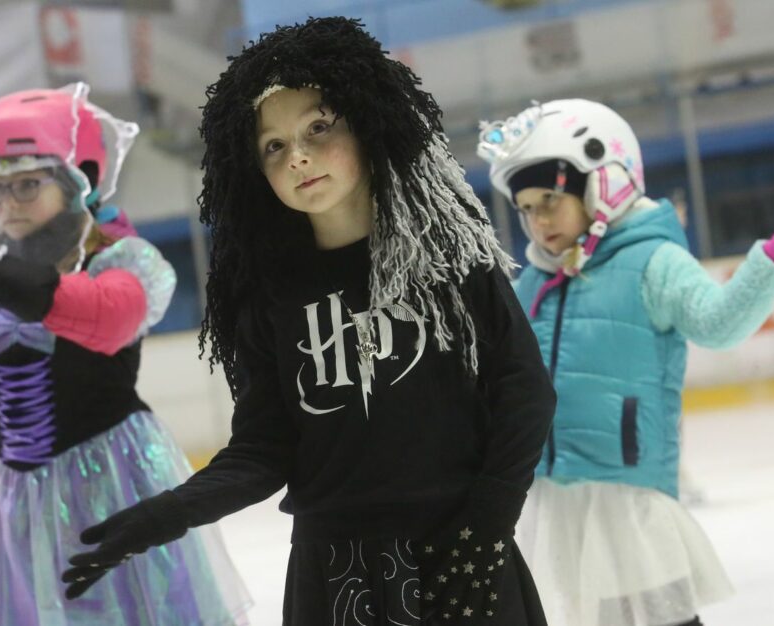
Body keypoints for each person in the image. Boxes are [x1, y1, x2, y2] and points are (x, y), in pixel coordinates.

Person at [62, 17, 557, 625]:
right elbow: (262, 450)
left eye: (319, 127)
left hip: (462, 553)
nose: (297, 156)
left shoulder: (448, 259)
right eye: (274, 146)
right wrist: (165, 513)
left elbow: (524, 394)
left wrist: (487, 525)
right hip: (334, 575)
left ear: (368, 121)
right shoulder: (267, 297)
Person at [0, 83, 251, 626]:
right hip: (20, 497)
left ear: (79, 178)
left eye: (26, 184)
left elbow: (109, 317)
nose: (7, 203)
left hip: (113, 477)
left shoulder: (121, 257)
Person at [477, 98, 774, 626]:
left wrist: (771, 263)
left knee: (667, 615)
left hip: (627, 489)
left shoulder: (653, 262)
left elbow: (717, 323)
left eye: (550, 200)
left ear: (604, 186)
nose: (538, 221)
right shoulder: (534, 282)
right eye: (525, 208)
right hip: (557, 493)